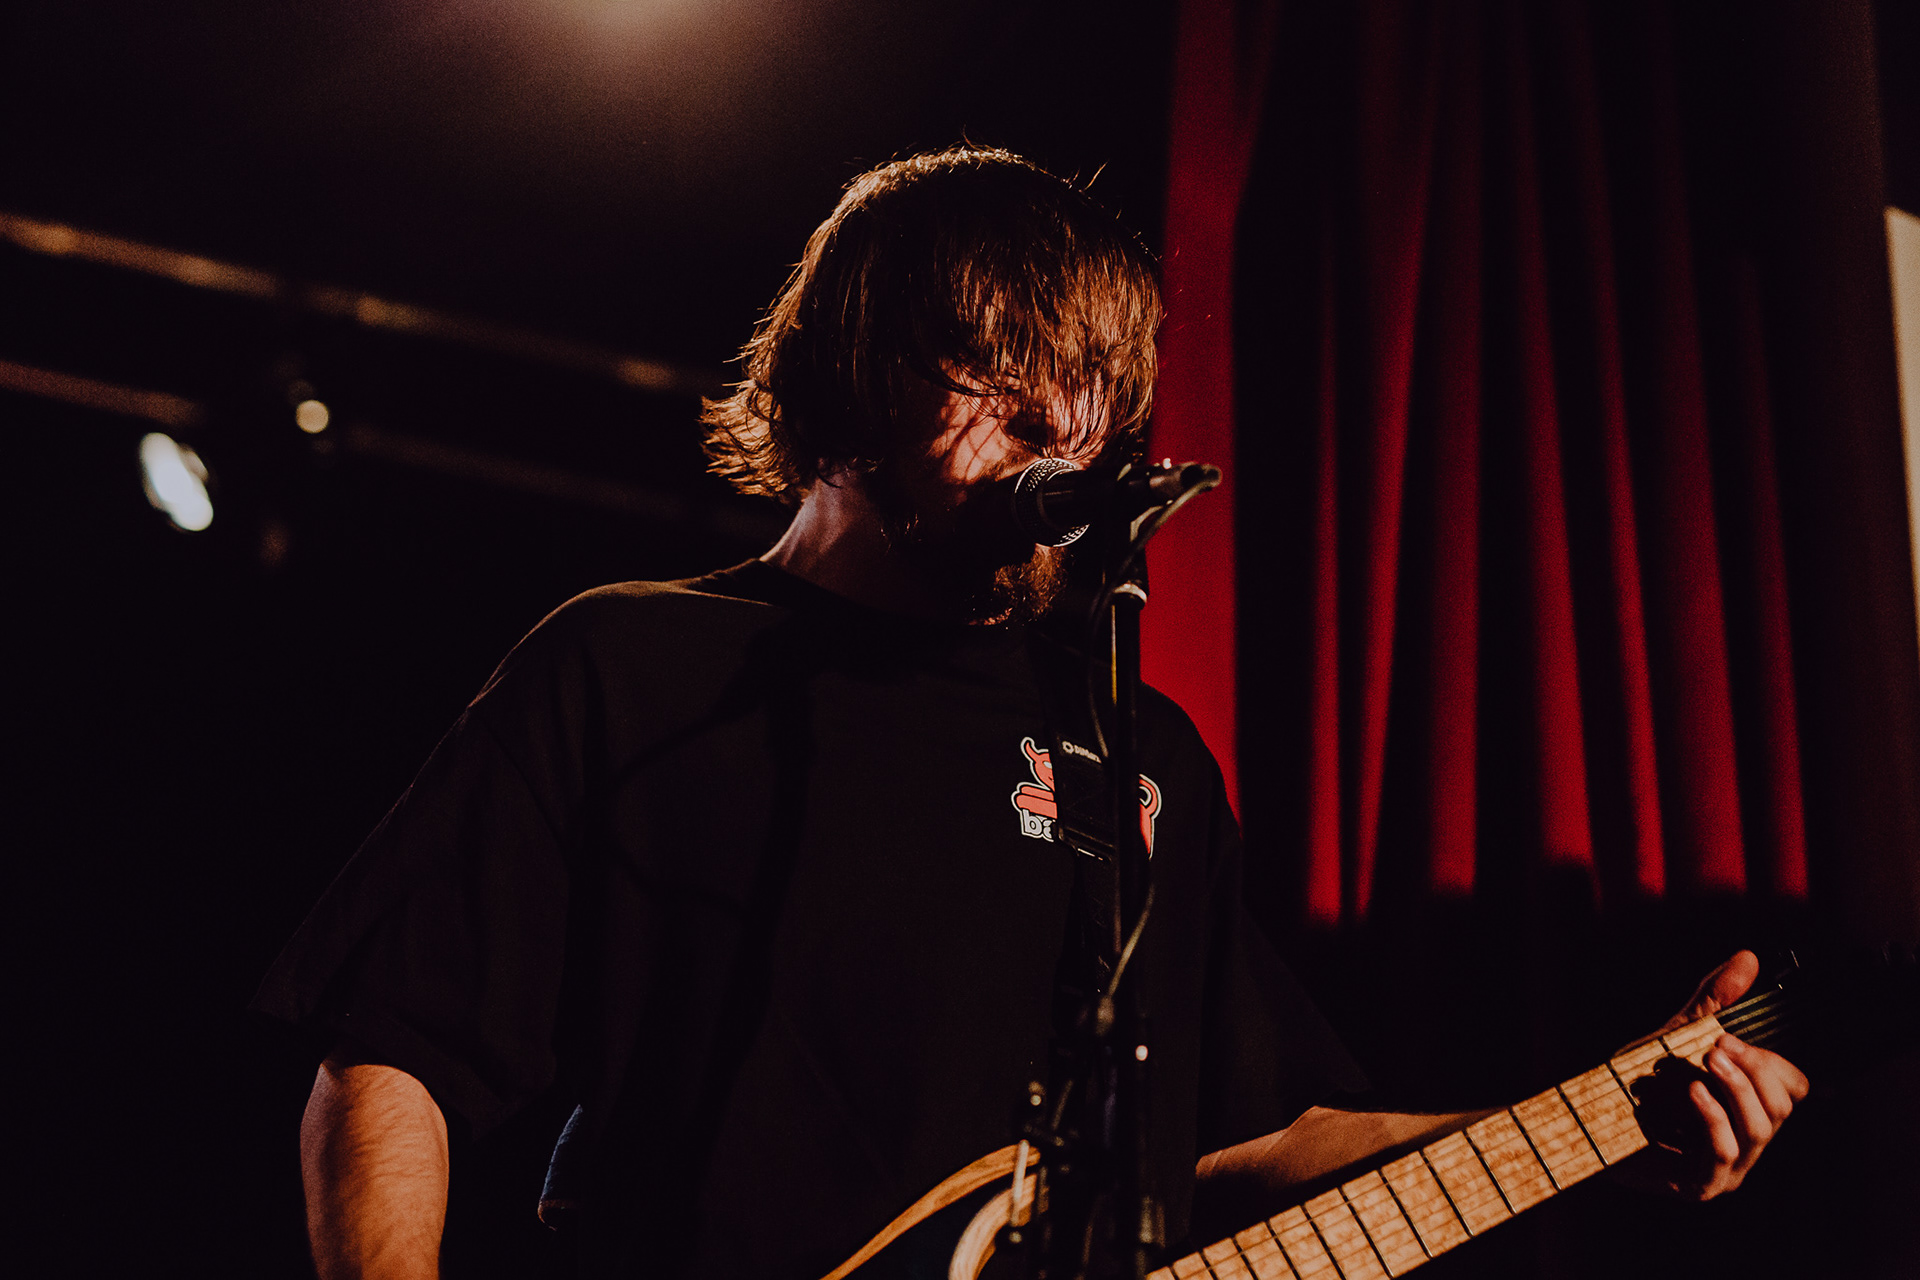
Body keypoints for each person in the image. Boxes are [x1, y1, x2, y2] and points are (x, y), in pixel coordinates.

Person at [256, 147, 1808, 1280]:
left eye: (1091, 392)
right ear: (858, 369)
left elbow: (1247, 1142)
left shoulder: (1138, 757)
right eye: (1002, 374)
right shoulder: (631, 668)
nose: (1060, 426)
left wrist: (1605, 1123)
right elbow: (393, 1054)